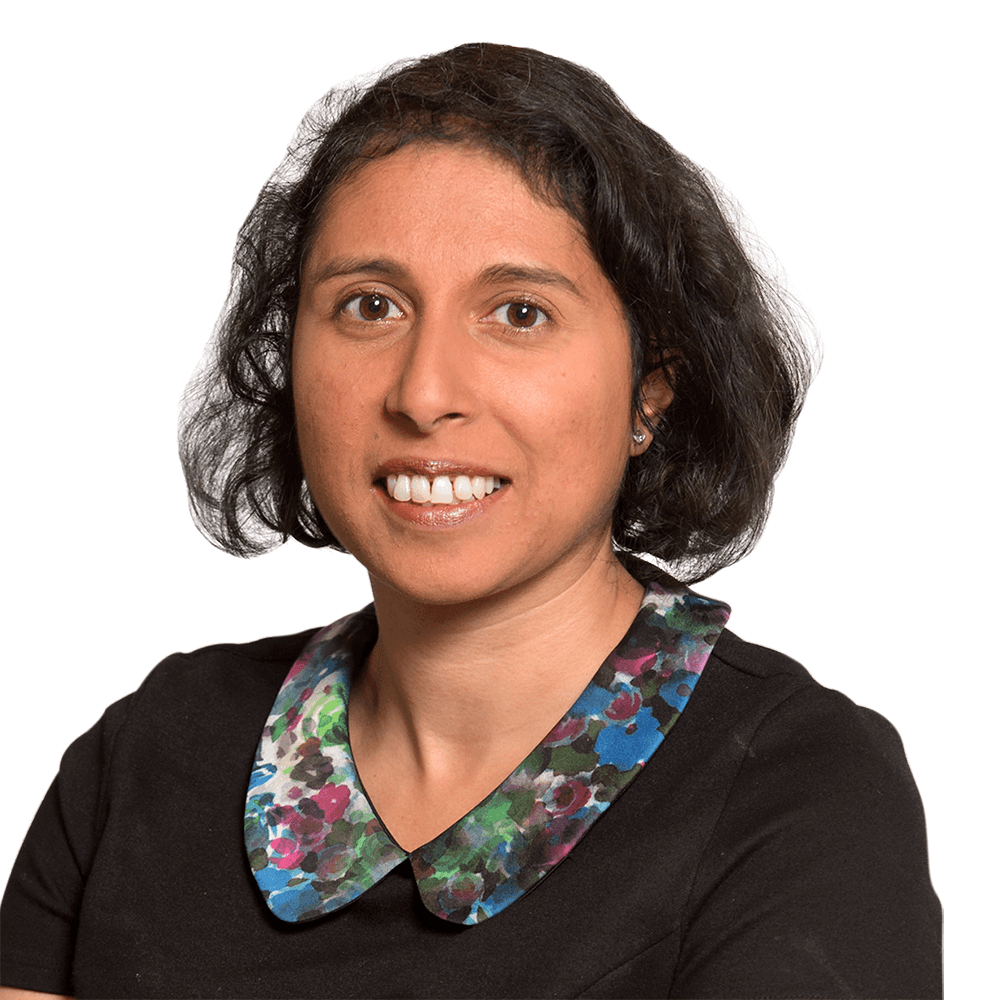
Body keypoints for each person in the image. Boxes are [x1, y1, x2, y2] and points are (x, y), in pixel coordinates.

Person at [0, 42, 940, 999]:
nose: (424, 391)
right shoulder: (150, 749)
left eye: (519, 313)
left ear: (651, 391)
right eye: (370, 306)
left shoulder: (802, 791)